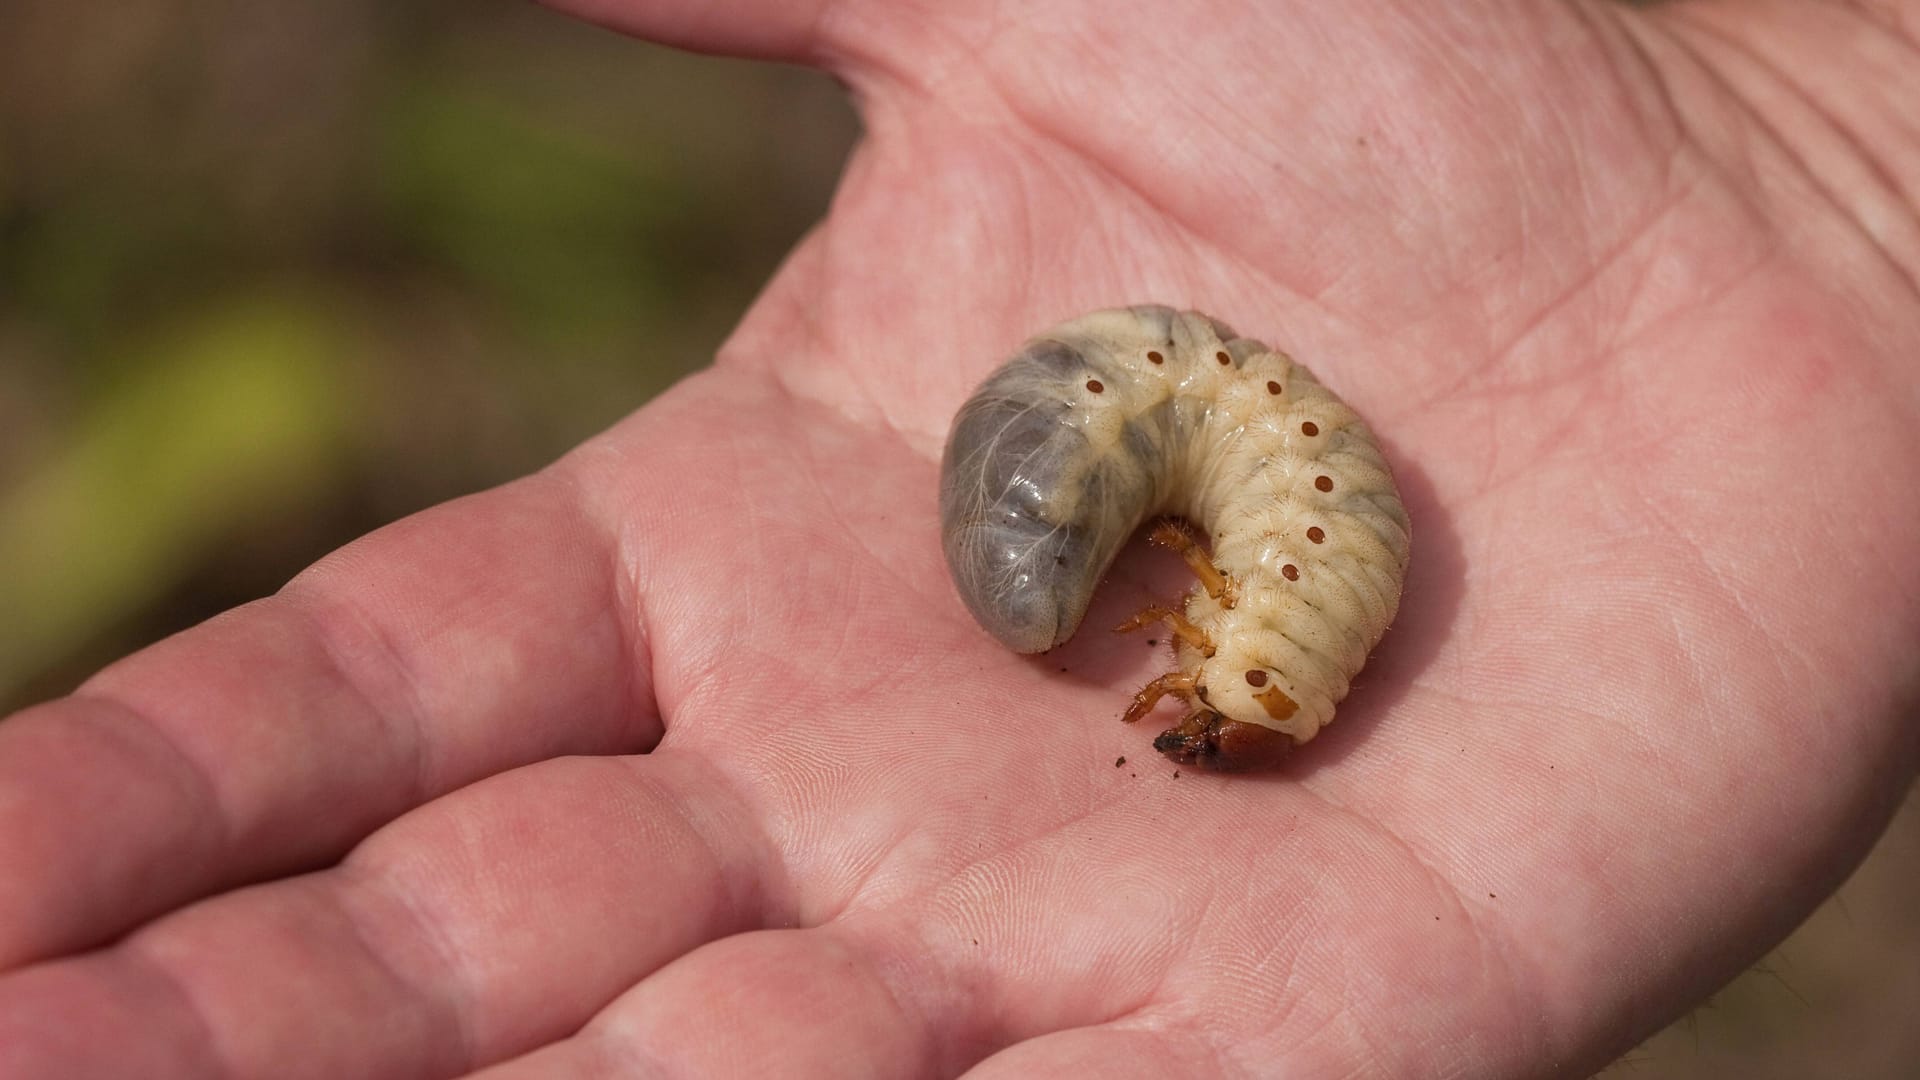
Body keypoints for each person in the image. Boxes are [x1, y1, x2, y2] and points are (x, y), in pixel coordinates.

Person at [2, 1, 1915, 1075]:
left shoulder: (1265, 506)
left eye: (1219, 678)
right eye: (1233, 682)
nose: (1188, 684)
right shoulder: (1204, 466)